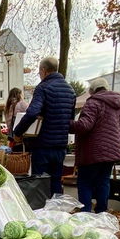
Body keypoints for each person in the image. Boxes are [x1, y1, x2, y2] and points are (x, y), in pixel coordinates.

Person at [12, 56, 76, 195]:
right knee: (55, 182)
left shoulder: (43, 88)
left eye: (39, 72)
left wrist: (17, 132)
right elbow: (70, 120)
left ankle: (41, 213)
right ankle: (56, 213)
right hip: (60, 146)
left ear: (44, 70)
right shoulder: (70, 91)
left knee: (40, 184)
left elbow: (32, 112)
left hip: (43, 145)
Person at [68, 78, 120, 213]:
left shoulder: (94, 103)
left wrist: (67, 123)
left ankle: (86, 215)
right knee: (103, 182)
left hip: (93, 151)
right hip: (112, 151)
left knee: (84, 183)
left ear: (92, 91)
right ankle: (102, 213)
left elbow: (84, 125)